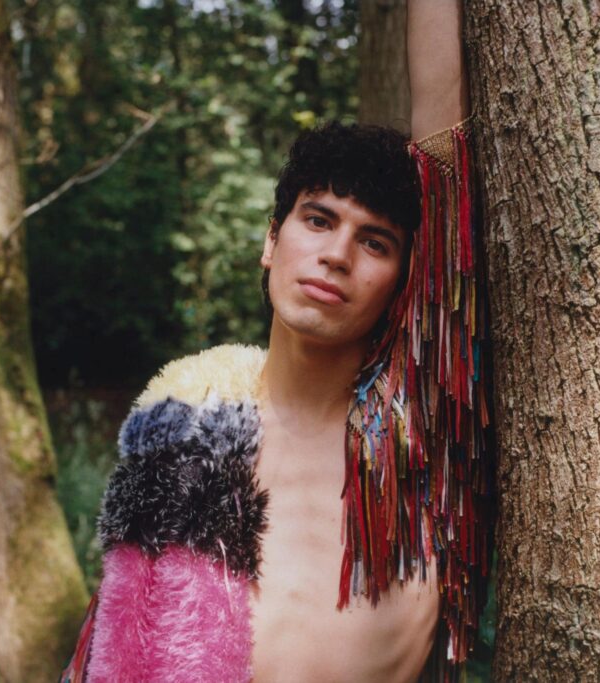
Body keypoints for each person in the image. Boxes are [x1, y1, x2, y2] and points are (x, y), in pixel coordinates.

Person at [60, 3, 491, 681]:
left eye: (375, 241)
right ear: (271, 240)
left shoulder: (418, 433)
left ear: (406, 277)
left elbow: (443, 171)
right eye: (318, 220)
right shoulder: (185, 430)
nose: (337, 254)